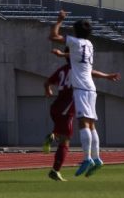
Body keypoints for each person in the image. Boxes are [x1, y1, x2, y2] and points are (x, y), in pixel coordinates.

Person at [49, 10, 120, 178]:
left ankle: (87, 158)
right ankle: (97, 158)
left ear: (75, 31)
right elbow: (78, 59)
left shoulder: (73, 42)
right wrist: (63, 54)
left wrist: (59, 20)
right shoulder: (90, 45)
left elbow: (53, 36)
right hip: (91, 88)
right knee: (92, 125)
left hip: (80, 88)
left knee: (83, 123)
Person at [43, 47, 75, 182]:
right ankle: (55, 171)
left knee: (60, 134)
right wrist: (107, 76)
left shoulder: (62, 69)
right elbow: (92, 73)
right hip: (66, 109)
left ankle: (53, 135)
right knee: (65, 141)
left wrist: (48, 90)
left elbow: (46, 82)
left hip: (55, 107)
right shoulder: (80, 69)